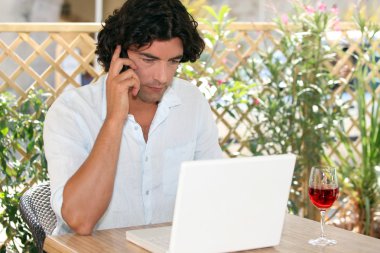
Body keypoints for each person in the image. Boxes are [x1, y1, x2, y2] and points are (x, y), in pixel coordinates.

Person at [43, 0, 223, 236]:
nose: (162, 77)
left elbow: (214, 192)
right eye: (149, 60)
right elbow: (80, 220)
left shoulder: (191, 102)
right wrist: (115, 119)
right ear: (119, 53)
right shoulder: (72, 112)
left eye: (173, 61)